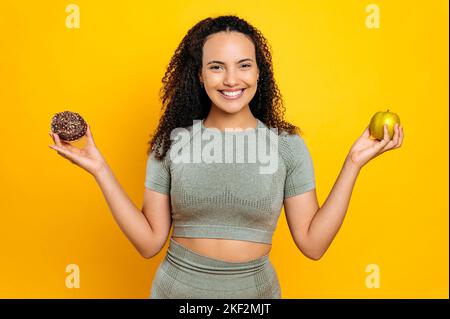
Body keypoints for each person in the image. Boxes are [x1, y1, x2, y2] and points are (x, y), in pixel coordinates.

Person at [48, 15, 404, 299]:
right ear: (200, 76)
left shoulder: (287, 146)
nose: (231, 79)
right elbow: (149, 243)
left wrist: (353, 163)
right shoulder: (172, 143)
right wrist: (99, 168)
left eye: (244, 65)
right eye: (216, 66)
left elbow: (313, 245)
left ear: (259, 73)